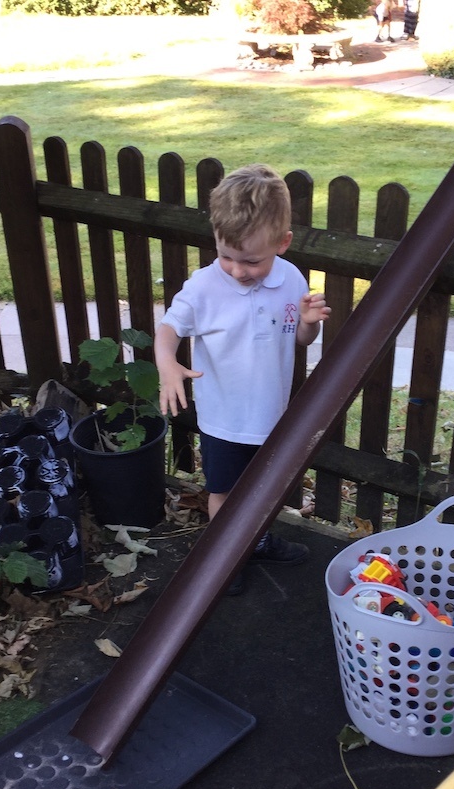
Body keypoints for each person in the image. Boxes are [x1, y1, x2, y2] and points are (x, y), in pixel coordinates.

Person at [155, 164, 331, 595]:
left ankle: (257, 541)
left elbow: (299, 339)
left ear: (282, 243)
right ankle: (224, 559)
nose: (237, 270)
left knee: (262, 492)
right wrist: (167, 364)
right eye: (226, 256)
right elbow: (168, 329)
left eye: (251, 260)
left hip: (271, 415)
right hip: (225, 420)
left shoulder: (291, 279)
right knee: (225, 494)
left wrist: (309, 323)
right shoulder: (203, 287)